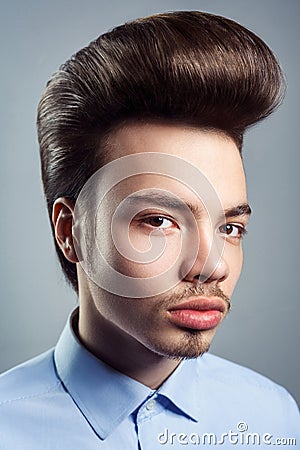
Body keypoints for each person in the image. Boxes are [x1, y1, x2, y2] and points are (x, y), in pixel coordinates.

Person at [0, 10, 299, 449]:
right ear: (71, 231)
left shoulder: (274, 418)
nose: (212, 266)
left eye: (231, 227)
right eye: (159, 221)